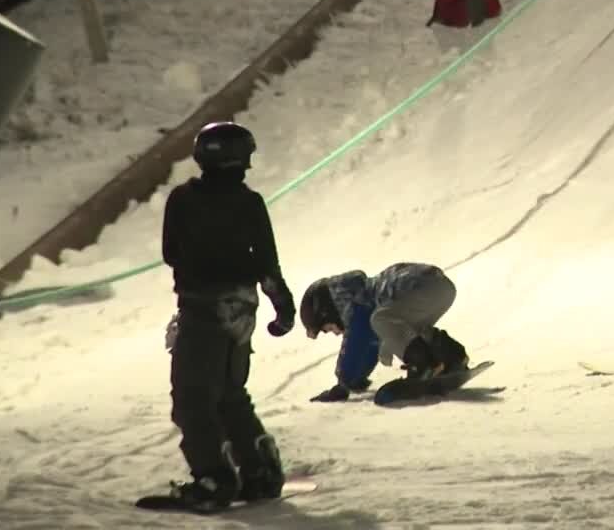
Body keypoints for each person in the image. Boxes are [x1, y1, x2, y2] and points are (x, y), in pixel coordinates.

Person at [161, 121, 297, 512]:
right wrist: (282, 307)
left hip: (202, 307)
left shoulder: (183, 199)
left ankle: (214, 477)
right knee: (230, 394)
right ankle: (260, 470)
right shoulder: (250, 202)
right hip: (242, 308)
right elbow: (267, 262)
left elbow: (171, 252)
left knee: (192, 397)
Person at [300, 262, 470, 402]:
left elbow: (357, 343)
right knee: (409, 329)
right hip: (441, 286)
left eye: (329, 328)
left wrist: (344, 383)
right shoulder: (367, 294)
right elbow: (372, 345)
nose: (336, 333)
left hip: (422, 287)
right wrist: (356, 380)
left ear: (328, 311)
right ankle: (452, 356)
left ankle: (422, 366)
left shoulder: (359, 304)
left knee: (380, 320)